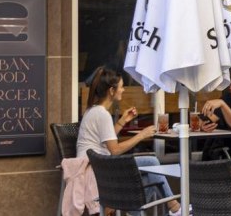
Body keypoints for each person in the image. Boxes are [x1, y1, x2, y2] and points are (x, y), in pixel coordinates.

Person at [75, 66, 181, 215]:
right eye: (122, 87)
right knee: (151, 162)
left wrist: (123, 121)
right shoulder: (102, 114)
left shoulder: (93, 110)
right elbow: (115, 149)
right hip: (101, 170)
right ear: (112, 91)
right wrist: (142, 135)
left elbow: (106, 139)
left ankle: (163, 208)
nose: (124, 90)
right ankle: (174, 207)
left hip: (99, 167)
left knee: (146, 178)